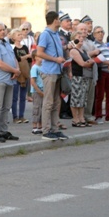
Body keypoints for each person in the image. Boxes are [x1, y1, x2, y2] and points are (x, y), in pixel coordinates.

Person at [36, 11, 68, 141]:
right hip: (49, 71)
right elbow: (39, 53)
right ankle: (46, 130)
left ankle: (55, 129)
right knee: (48, 102)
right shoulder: (45, 34)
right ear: (55, 20)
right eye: (59, 19)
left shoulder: (55, 34)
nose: (59, 21)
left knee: (56, 102)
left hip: (57, 71)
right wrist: (55, 59)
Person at [69, 31, 95, 127]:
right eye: (78, 36)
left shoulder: (83, 51)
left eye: (82, 37)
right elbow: (82, 63)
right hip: (77, 76)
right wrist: (89, 63)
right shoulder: (73, 51)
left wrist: (89, 62)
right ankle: (75, 119)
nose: (81, 38)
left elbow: (91, 60)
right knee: (76, 98)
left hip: (85, 76)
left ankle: (81, 118)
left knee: (83, 98)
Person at [91, 26, 109, 123]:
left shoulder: (105, 45)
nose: (100, 34)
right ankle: (98, 116)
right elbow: (96, 58)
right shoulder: (93, 45)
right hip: (101, 72)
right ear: (94, 34)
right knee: (100, 95)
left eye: (102, 32)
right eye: (98, 32)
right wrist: (108, 63)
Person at [10, 28, 31, 124]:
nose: (20, 36)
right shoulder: (12, 47)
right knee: (14, 96)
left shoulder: (25, 47)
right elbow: (15, 59)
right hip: (16, 73)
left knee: (23, 96)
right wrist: (26, 57)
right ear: (13, 37)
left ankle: (21, 115)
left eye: (21, 35)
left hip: (25, 72)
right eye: (18, 35)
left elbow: (30, 60)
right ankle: (15, 116)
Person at [29, 52, 44, 134]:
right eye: (39, 56)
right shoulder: (35, 68)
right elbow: (33, 81)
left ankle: (40, 125)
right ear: (35, 57)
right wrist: (38, 91)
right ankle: (34, 126)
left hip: (43, 91)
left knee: (42, 108)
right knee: (37, 108)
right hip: (37, 91)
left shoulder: (43, 67)